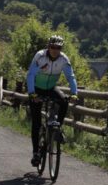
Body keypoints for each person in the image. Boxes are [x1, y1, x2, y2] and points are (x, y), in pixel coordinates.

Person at [25, 35, 79, 167]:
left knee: (64, 101)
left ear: (61, 49)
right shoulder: (40, 56)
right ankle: (36, 153)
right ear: (48, 47)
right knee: (36, 123)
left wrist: (74, 93)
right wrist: (32, 94)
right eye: (52, 47)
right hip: (36, 89)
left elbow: (70, 77)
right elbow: (31, 74)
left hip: (50, 88)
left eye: (58, 48)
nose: (55, 50)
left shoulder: (63, 59)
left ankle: (57, 129)